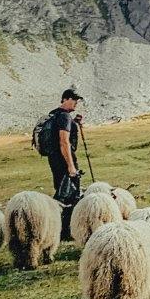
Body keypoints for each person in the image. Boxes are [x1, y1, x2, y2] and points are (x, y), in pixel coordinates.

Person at [39, 89, 85, 217]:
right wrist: (71, 166)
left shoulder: (54, 114)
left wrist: (74, 123)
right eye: (73, 99)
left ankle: (61, 224)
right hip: (64, 160)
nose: (76, 102)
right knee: (69, 194)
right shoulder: (64, 116)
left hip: (54, 159)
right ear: (65, 99)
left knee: (61, 189)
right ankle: (65, 226)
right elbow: (64, 142)